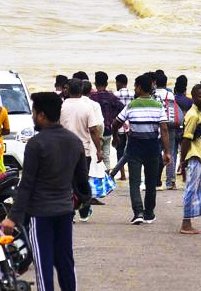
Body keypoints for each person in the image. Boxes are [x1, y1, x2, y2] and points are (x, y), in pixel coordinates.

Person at [1, 91, 89, 291]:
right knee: (66, 263)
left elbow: (26, 185)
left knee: (43, 264)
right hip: (64, 210)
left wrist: (12, 218)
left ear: (41, 114)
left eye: (33, 112)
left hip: (40, 213)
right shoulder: (74, 142)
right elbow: (82, 183)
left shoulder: (36, 144)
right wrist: (79, 202)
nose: (32, 117)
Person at [113, 73, 171, 224]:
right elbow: (164, 129)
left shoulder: (131, 105)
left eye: (135, 87)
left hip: (134, 147)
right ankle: (149, 213)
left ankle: (138, 212)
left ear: (139, 88)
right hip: (153, 146)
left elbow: (116, 122)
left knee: (135, 181)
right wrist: (167, 152)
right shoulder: (159, 106)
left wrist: (115, 135)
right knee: (151, 181)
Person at [60, 79, 104, 221]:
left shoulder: (62, 106)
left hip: (64, 150)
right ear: (81, 90)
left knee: (67, 182)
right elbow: (93, 129)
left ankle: (69, 213)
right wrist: (98, 149)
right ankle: (84, 211)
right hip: (83, 150)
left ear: (68, 90)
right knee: (82, 181)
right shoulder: (87, 107)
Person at [177, 85, 201, 234]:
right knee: (191, 189)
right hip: (193, 155)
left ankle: (188, 221)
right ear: (194, 97)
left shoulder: (199, 113)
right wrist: (182, 161)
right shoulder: (193, 115)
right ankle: (186, 224)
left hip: (199, 154)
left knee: (197, 188)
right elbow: (186, 138)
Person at [90, 72, 125, 174]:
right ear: (106, 83)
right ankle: (106, 175)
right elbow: (122, 108)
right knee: (106, 155)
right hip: (108, 130)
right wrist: (112, 118)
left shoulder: (91, 97)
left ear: (95, 83)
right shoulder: (111, 96)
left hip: (95, 131)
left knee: (96, 155)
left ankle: (98, 177)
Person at [154, 72, 184, 189]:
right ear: (166, 83)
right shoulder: (170, 95)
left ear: (155, 82)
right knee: (170, 153)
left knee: (155, 154)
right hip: (170, 127)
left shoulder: (152, 94)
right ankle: (170, 182)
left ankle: (154, 179)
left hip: (156, 127)